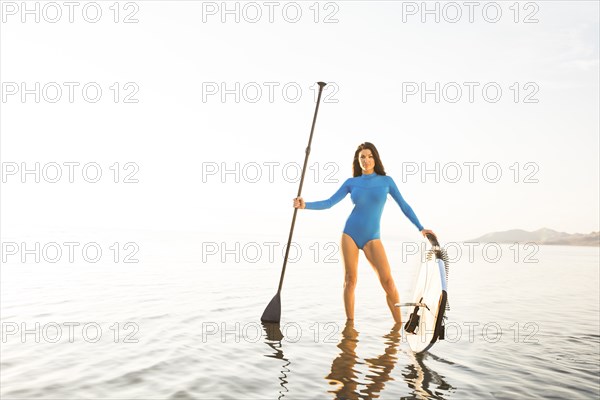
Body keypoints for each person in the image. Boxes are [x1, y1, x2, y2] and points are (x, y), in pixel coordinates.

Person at [293, 142, 435, 323]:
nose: (366, 160)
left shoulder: (386, 181)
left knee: (388, 283)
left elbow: (404, 206)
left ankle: (399, 327)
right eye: (362, 157)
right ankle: (349, 327)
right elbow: (329, 202)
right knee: (350, 281)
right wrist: (305, 205)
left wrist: (420, 227)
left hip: (372, 237)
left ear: (375, 159)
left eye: (369, 156)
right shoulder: (352, 183)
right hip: (350, 234)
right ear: (357, 161)